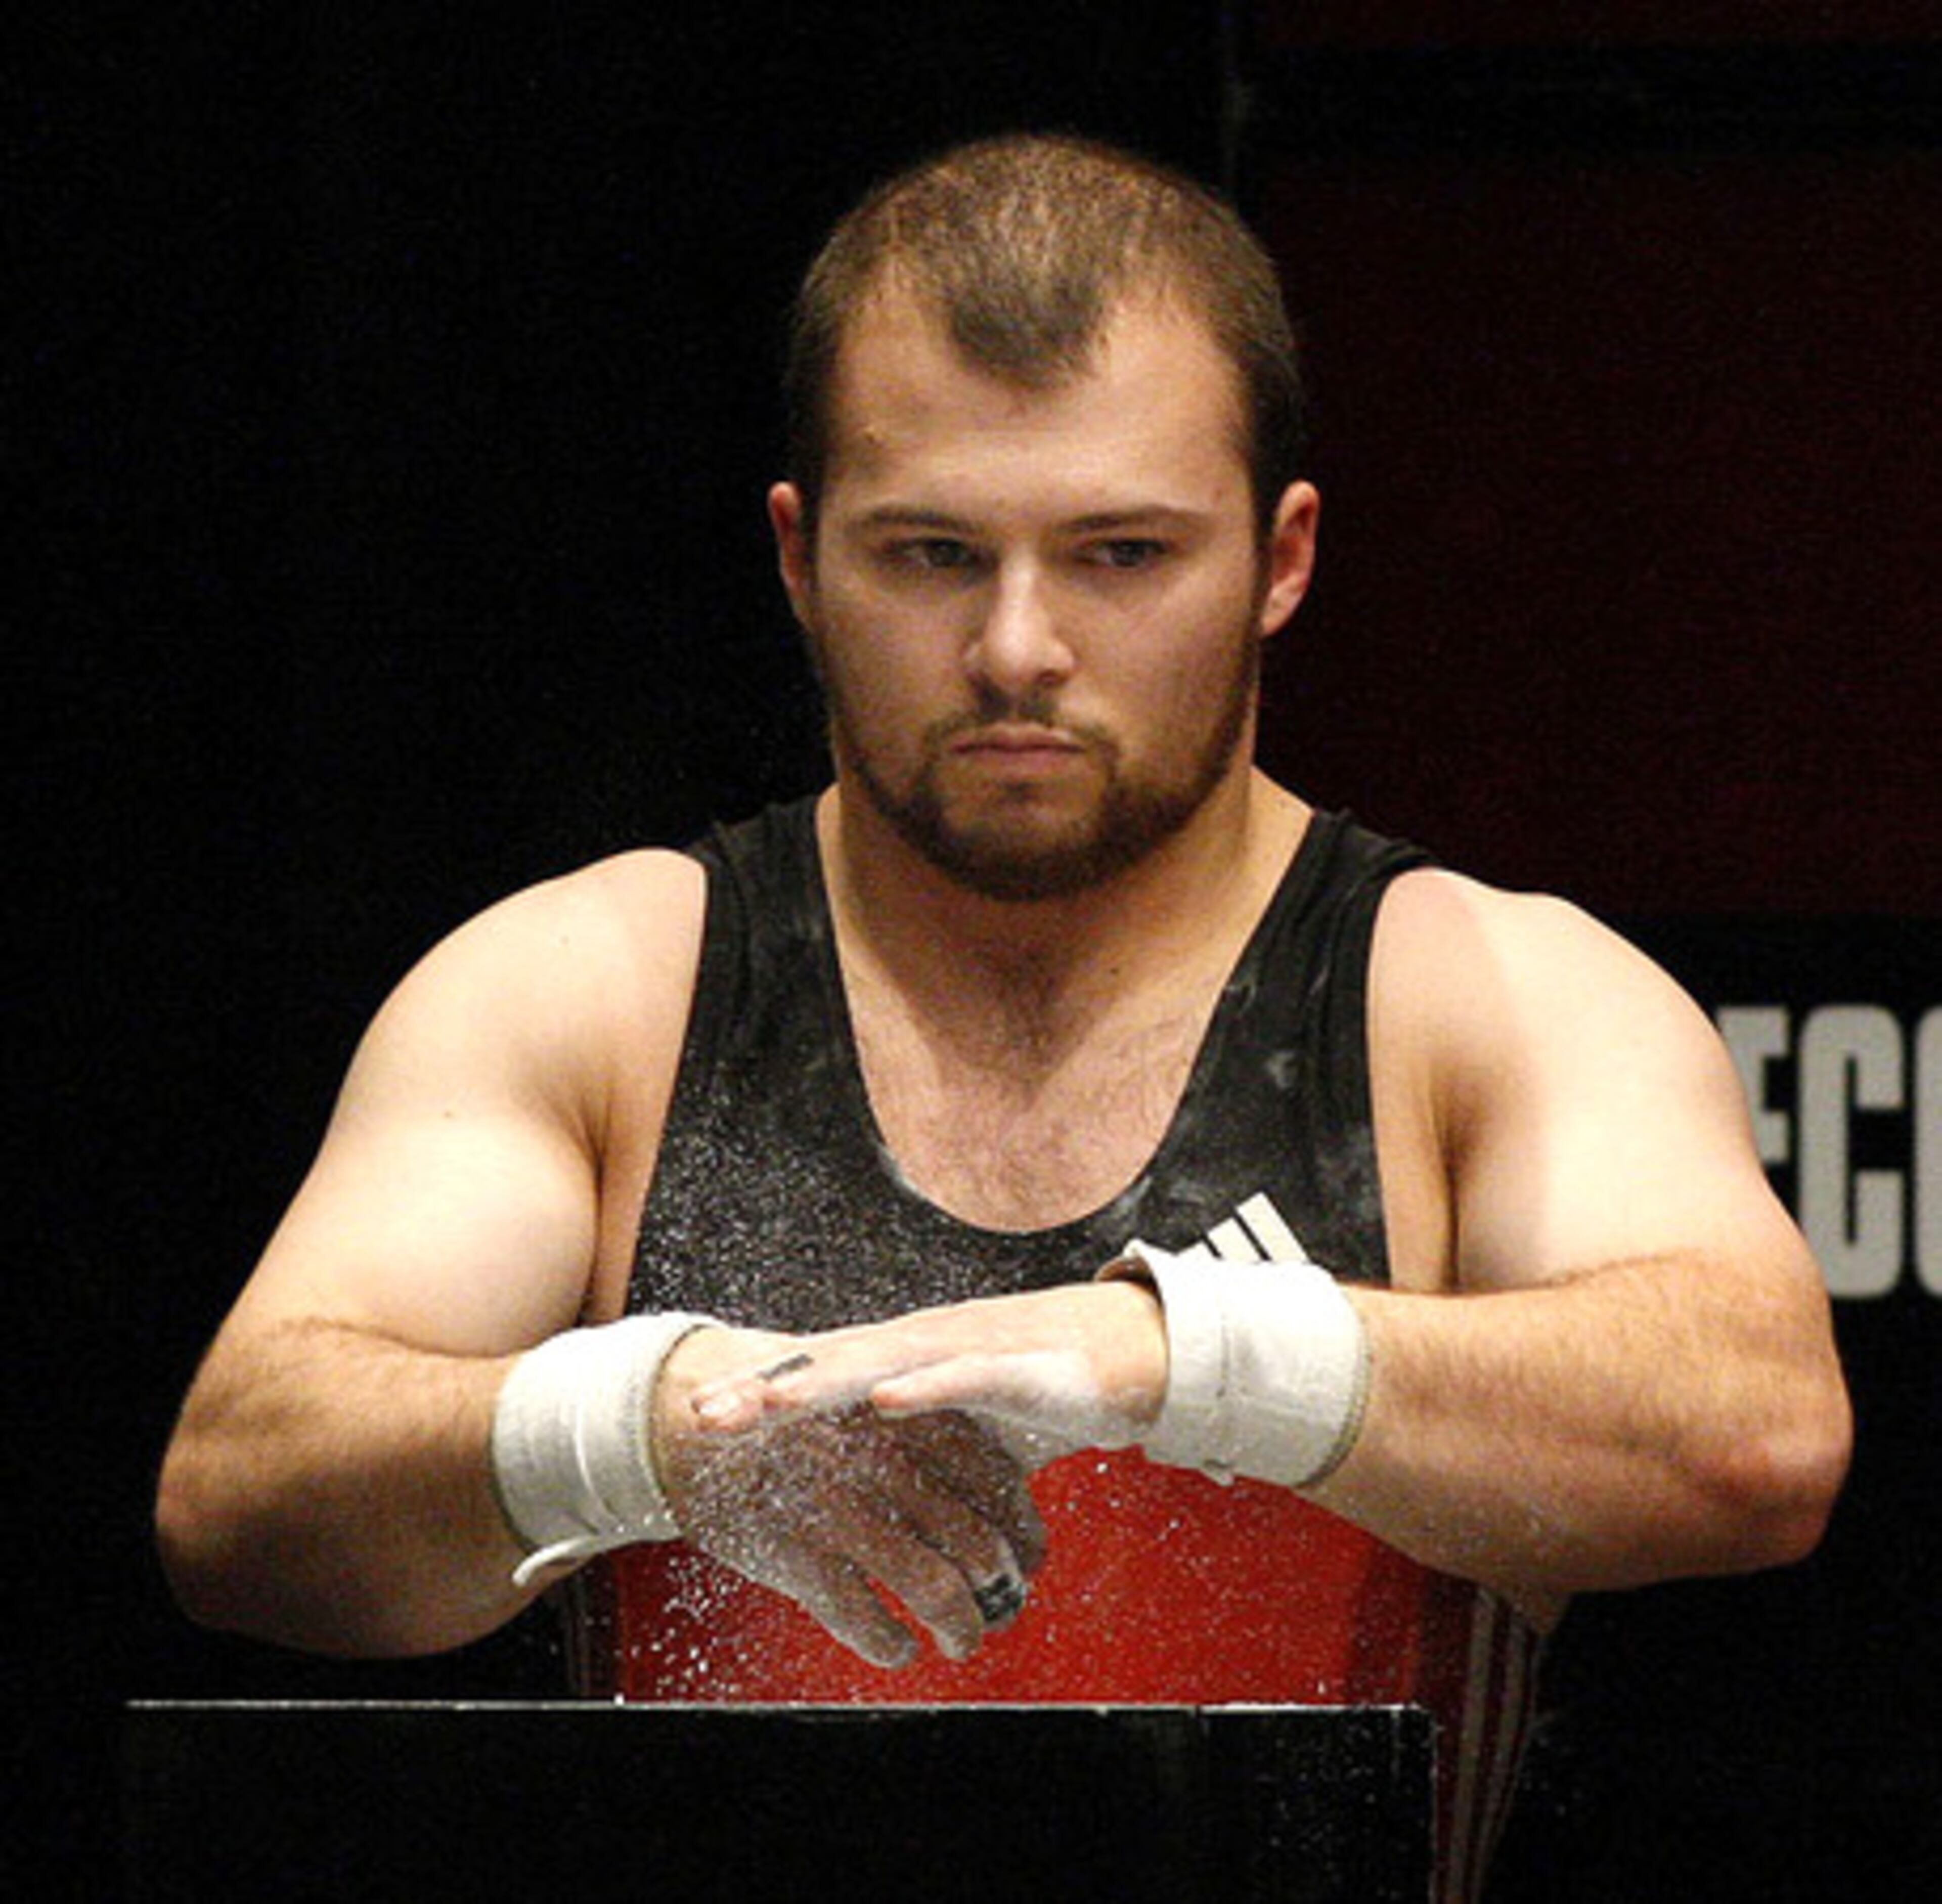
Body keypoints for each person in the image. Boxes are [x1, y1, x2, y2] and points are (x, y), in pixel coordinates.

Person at [156, 133, 1851, 1901]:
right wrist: (655, 1430)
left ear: (1281, 560)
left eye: (1122, 553)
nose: (1019, 647)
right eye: (934, 554)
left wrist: (1195, 1362)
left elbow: (1753, 1432)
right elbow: (241, 1498)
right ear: (802, 561)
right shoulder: (595, 994)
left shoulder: (1475, 998)